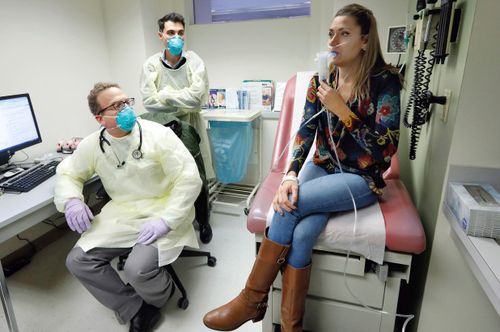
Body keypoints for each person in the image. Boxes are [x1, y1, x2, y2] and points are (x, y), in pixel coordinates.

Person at [203, 4, 403, 332]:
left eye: (345, 34)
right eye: (330, 34)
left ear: (365, 41)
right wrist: (291, 174)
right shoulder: (321, 80)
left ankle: (251, 299)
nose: (333, 41)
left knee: (288, 211)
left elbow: (386, 147)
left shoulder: (385, 82)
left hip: (361, 177)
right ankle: (290, 327)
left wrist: (342, 111)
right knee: (303, 230)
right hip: (322, 167)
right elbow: (305, 131)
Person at [54, 82, 202, 332]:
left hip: (164, 210)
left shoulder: (158, 134)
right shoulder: (92, 144)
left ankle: (161, 297)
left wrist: (167, 219)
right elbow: (69, 173)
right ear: (100, 118)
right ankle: (135, 308)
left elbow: (189, 179)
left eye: (126, 102)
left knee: (137, 270)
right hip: (122, 213)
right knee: (78, 260)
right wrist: (72, 200)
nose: (126, 109)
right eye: (116, 105)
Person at [140, 12, 213, 243]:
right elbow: (148, 101)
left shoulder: (194, 61)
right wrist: (181, 96)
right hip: (162, 127)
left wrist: (165, 94)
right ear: (160, 35)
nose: (176, 37)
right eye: (171, 33)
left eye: (181, 33)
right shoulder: (151, 64)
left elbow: (196, 100)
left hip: (190, 125)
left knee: (197, 174)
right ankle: (172, 220)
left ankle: (203, 221)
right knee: (167, 174)